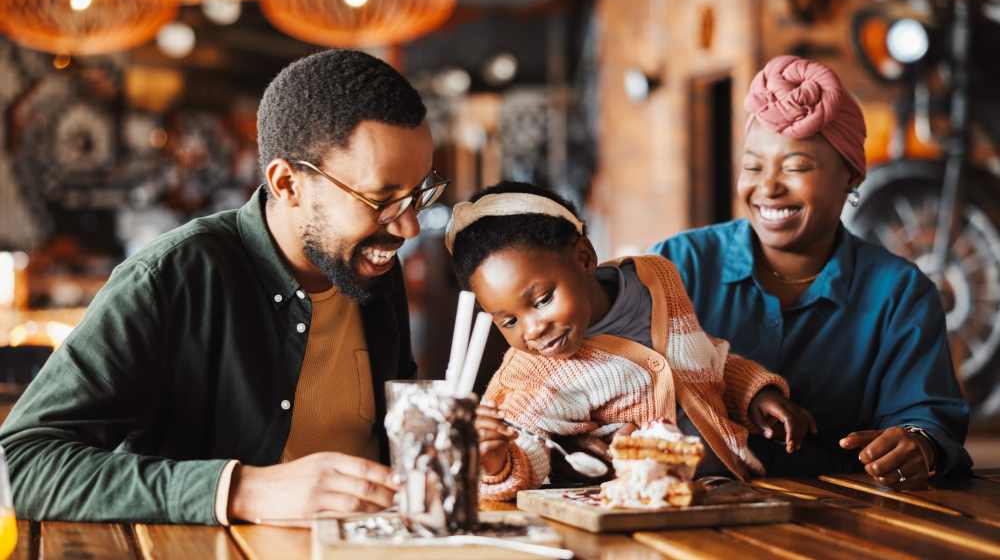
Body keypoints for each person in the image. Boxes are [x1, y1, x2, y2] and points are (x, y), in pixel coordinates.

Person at [0, 49, 448, 524]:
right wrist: (241, 490)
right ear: (288, 184)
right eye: (381, 200)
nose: (408, 229)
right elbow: (20, 464)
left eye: (418, 194)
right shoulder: (174, 277)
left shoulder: (371, 271)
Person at [651, 55, 972, 487]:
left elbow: (928, 419)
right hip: (690, 507)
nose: (767, 187)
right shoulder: (678, 265)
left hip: (841, 519)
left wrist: (917, 445)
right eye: (753, 166)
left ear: (850, 177)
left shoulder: (898, 293)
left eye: (796, 166)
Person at [447, 181, 816, 501]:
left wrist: (755, 393)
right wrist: (496, 462)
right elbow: (526, 448)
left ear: (583, 257)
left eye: (543, 300)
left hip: (736, 488)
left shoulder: (657, 280)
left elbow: (701, 358)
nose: (533, 330)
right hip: (632, 515)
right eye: (509, 320)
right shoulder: (535, 373)